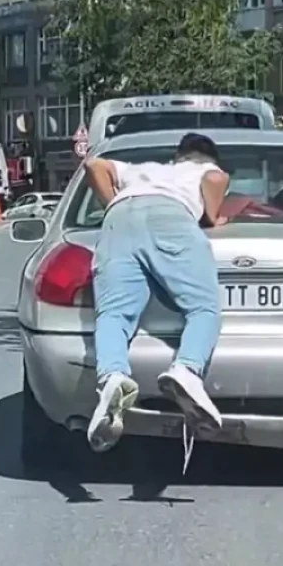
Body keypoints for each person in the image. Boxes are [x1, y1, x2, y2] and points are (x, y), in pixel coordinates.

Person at [82, 133, 230, 463]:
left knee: (114, 315)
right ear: (209, 157)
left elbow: (93, 165)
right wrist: (214, 218)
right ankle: (187, 370)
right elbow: (215, 183)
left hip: (119, 219)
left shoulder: (144, 169)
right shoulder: (205, 170)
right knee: (202, 307)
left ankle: (113, 377)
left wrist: (112, 204)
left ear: (177, 156)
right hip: (170, 218)